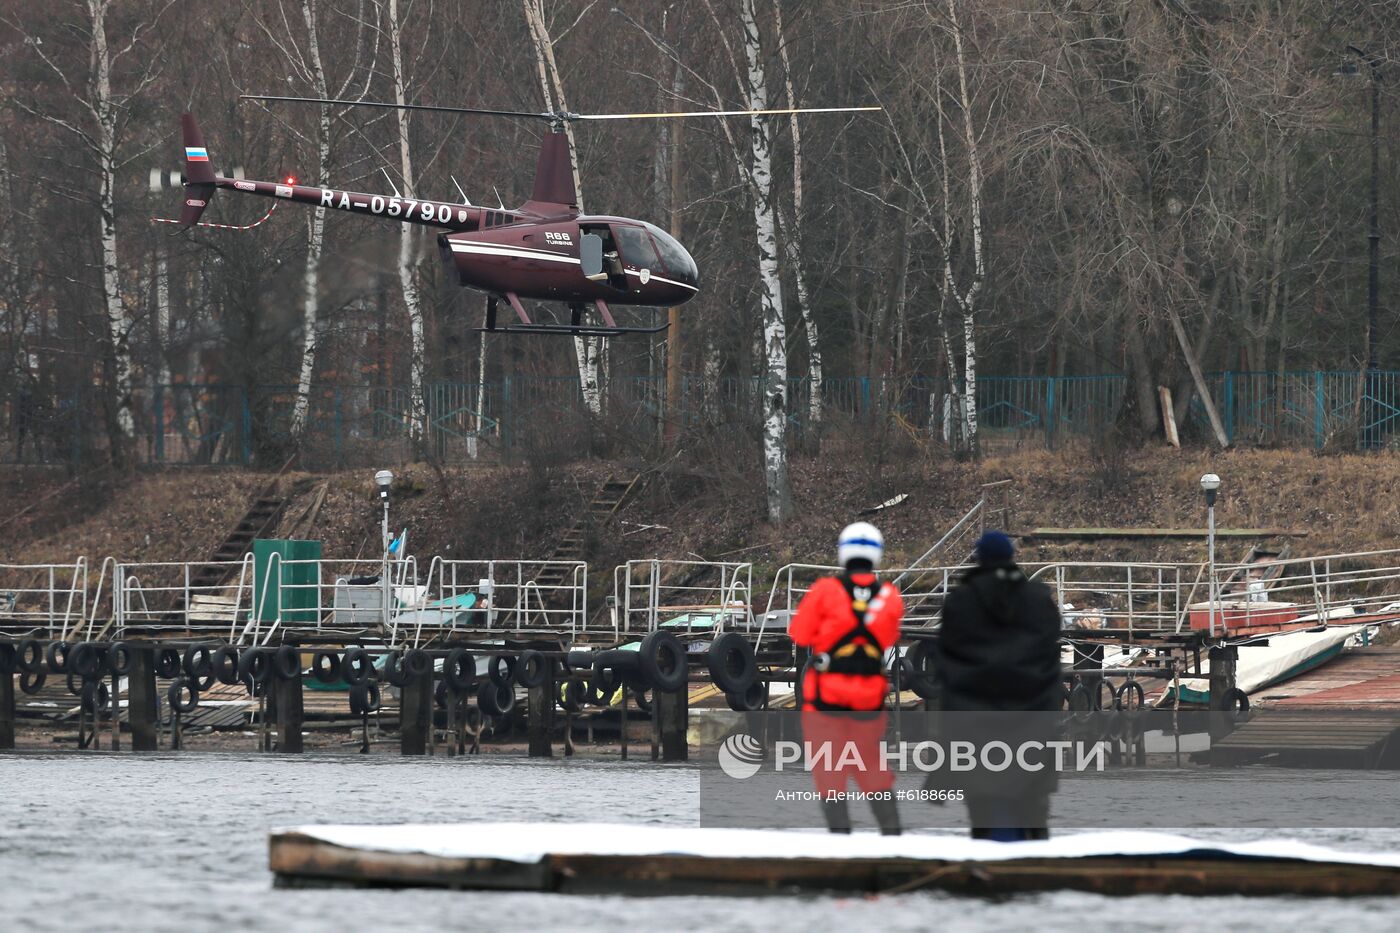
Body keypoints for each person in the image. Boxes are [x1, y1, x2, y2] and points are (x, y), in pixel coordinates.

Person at [932, 530, 1062, 841]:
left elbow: (948, 667)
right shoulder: (1038, 599)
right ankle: (1034, 874)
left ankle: (988, 877)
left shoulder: (960, 602)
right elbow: (1051, 658)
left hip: (974, 726)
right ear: (1011, 556)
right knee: (1033, 813)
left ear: (979, 558)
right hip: (1032, 722)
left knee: (983, 813)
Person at [789, 522, 904, 835]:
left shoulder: (824, 591)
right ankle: (892, 835)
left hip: (826, 697)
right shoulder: (890, 596)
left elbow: (799, 633)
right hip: (868, 699)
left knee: (829, 770)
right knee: (871, 767)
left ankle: (841, 839)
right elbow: (890, 635)